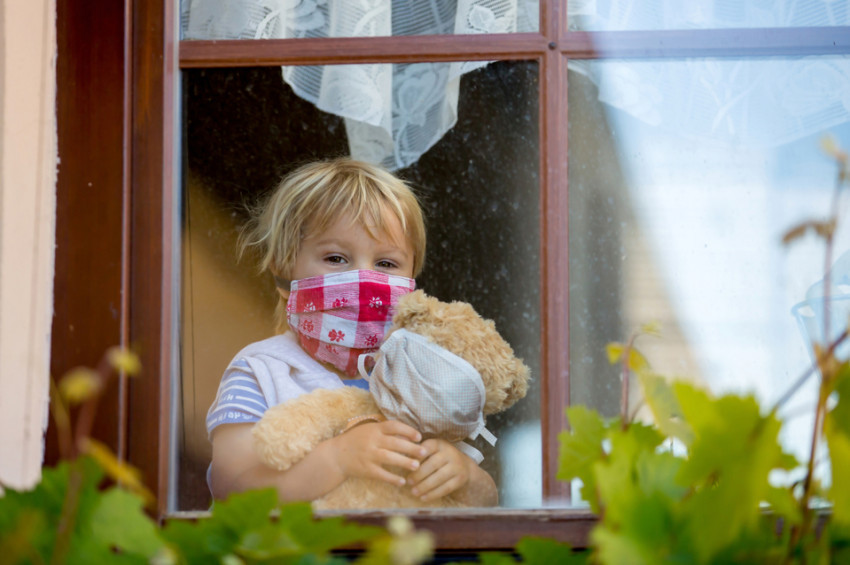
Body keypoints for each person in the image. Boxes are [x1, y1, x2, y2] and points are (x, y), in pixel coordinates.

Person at [206, 157, 498, 506]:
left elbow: (489, 502)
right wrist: (337, 459)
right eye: (336, 258)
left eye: (386, 264)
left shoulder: (424, 377)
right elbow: (231, 487)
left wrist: (464, 476)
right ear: (284, 273)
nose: (364, 279)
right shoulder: (260, 370)